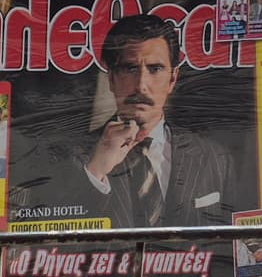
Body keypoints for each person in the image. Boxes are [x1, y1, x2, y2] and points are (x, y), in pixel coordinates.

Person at [24, 13, 234, 228]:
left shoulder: (213, 157)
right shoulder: (67, 157)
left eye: (155, 69)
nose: (141, 85)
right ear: (111, 78)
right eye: (130, 68)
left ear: (173, 79)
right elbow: (49, 231)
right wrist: (95, 171)